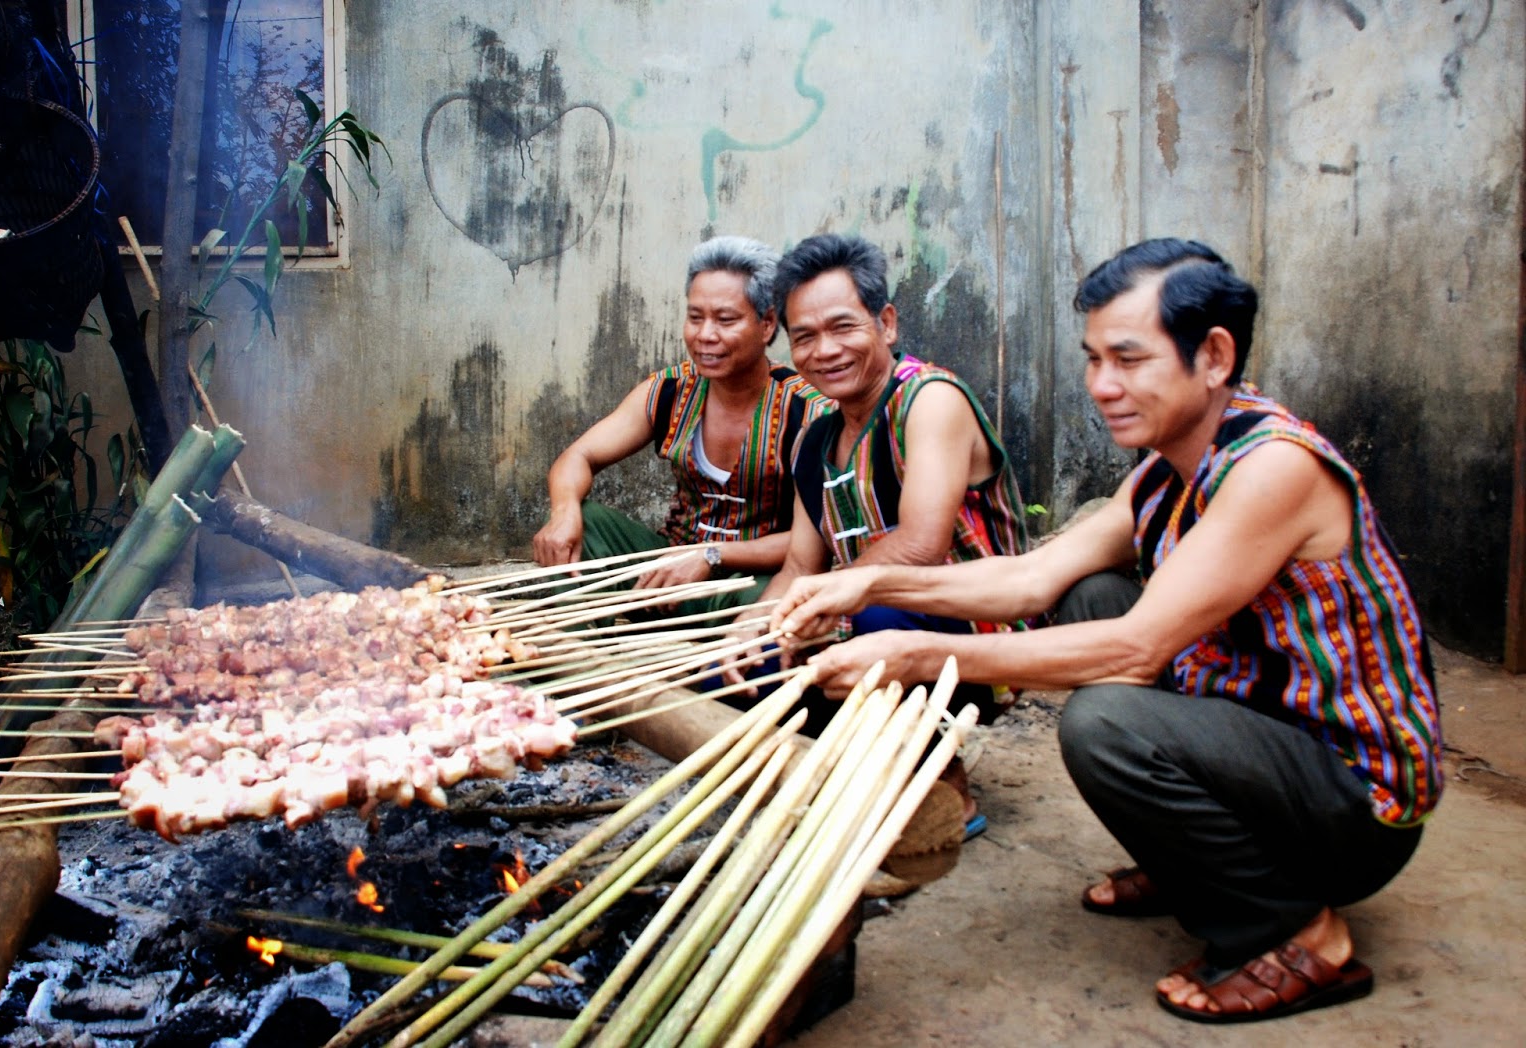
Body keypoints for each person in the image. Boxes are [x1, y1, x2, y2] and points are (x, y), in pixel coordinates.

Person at [770, 238, 1442, 1023]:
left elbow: (1139, 649)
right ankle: (1204, 861)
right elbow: (1033, 577)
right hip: (1271, 755)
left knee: (1106, 721)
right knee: (1092, 594)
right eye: (1093, 360)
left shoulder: (1273, 467)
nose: (1103, 386)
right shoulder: (1165, 468)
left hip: (1355, 804)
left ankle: (1294, 929)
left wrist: (914, 652)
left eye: (1129, 359)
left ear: (1215, 355)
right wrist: (871, 579)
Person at [734, 233, 1027, 732]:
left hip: (970, 632)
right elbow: (801, 566)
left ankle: (920, 758)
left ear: (885, 324)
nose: (825, 351)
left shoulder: (929, 399)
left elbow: (920, 549)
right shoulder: (815, 439)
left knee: (869, 631)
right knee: (738, 669)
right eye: (804, 336)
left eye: (842, 327)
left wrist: (818, 603)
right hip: (855, 617)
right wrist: (755, 626)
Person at [532, 236, 820, 616]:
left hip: (749, 582)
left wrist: (712, 555)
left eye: (725, 320)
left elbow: (819, 540)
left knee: (786, 601)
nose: (705, 335)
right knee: (585, 523)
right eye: (695, 317)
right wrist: (564, 510)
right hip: (665, 576)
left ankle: (727, 650)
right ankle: (574, 656)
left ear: (767, 324)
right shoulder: (670, 390)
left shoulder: (807, 411)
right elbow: (579, 456)